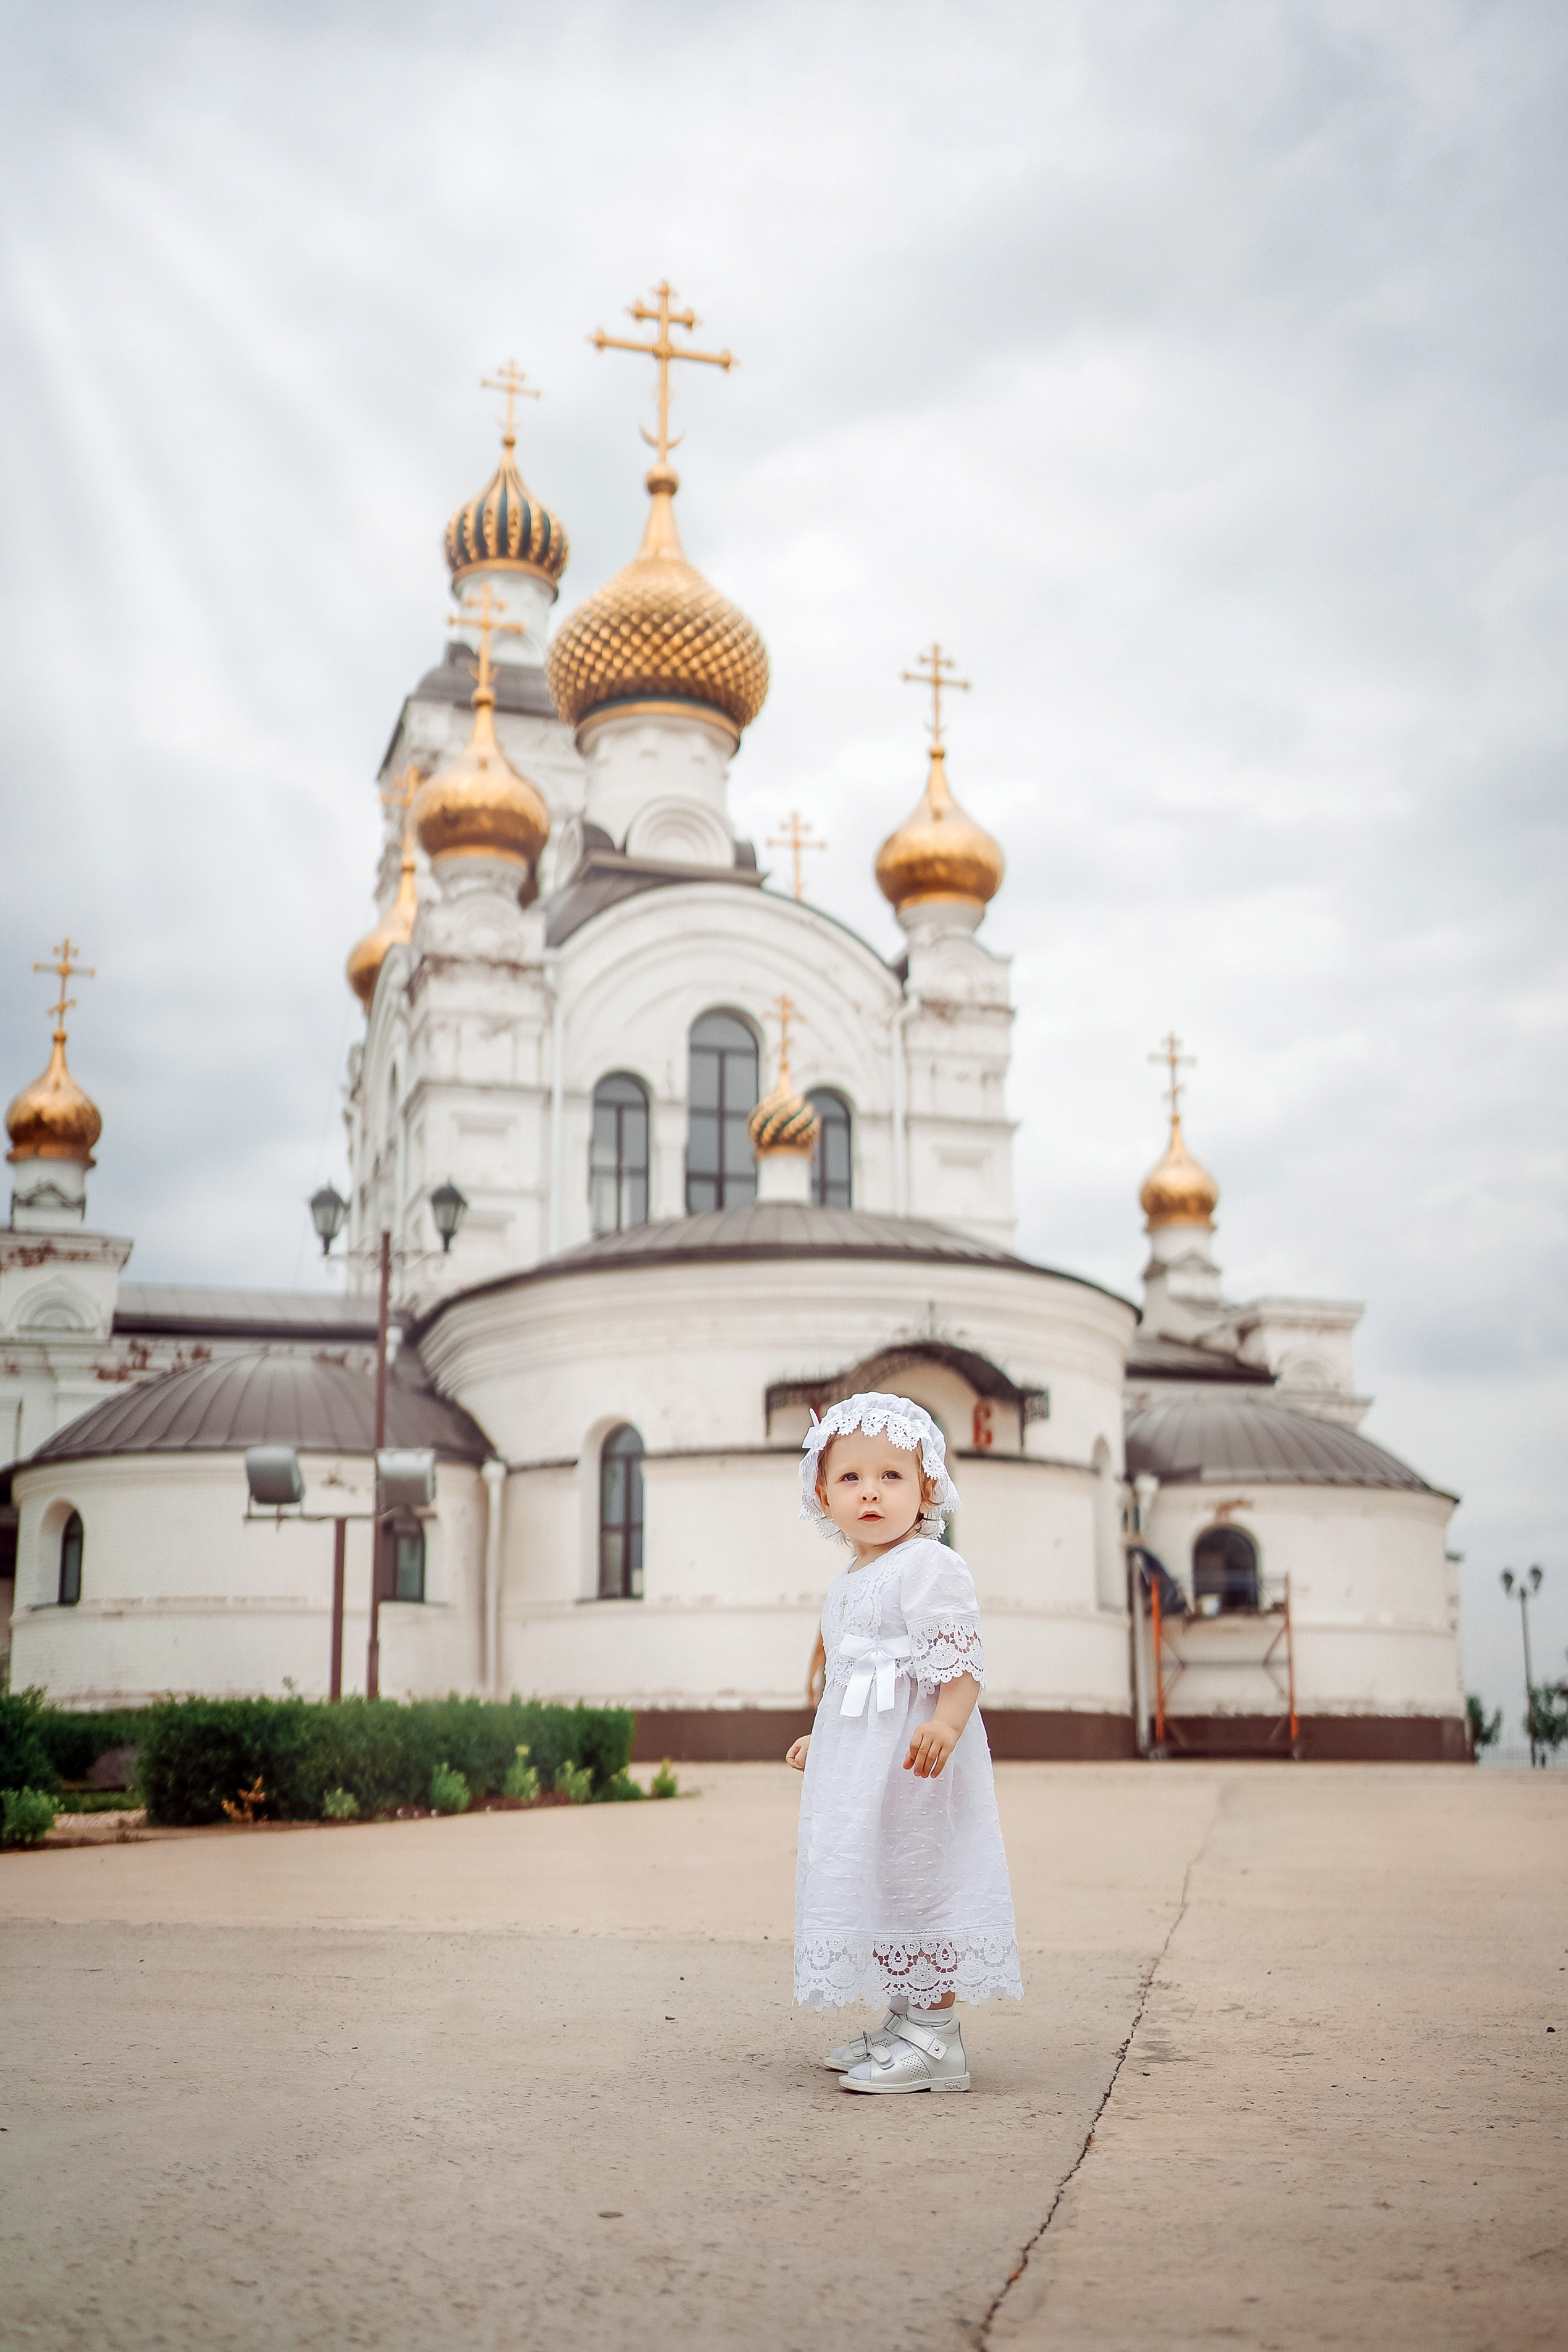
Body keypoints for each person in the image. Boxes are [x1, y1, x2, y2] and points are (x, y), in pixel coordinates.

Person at [787, 1392, 1021, 2093]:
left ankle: (938, 2037)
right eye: (851, 1478)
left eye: (891, 1476)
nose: (870, 1493)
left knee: (921, 1881)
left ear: (926, 1489)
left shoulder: (928, 1564)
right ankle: (905, 2014)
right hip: (864, 1767)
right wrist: (820, 1737)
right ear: (822, 1494)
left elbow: (959, 1656)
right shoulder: (851, 1579)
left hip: (917, 1764)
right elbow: (851, 1675)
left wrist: (947, 1722)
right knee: (880, 1878)